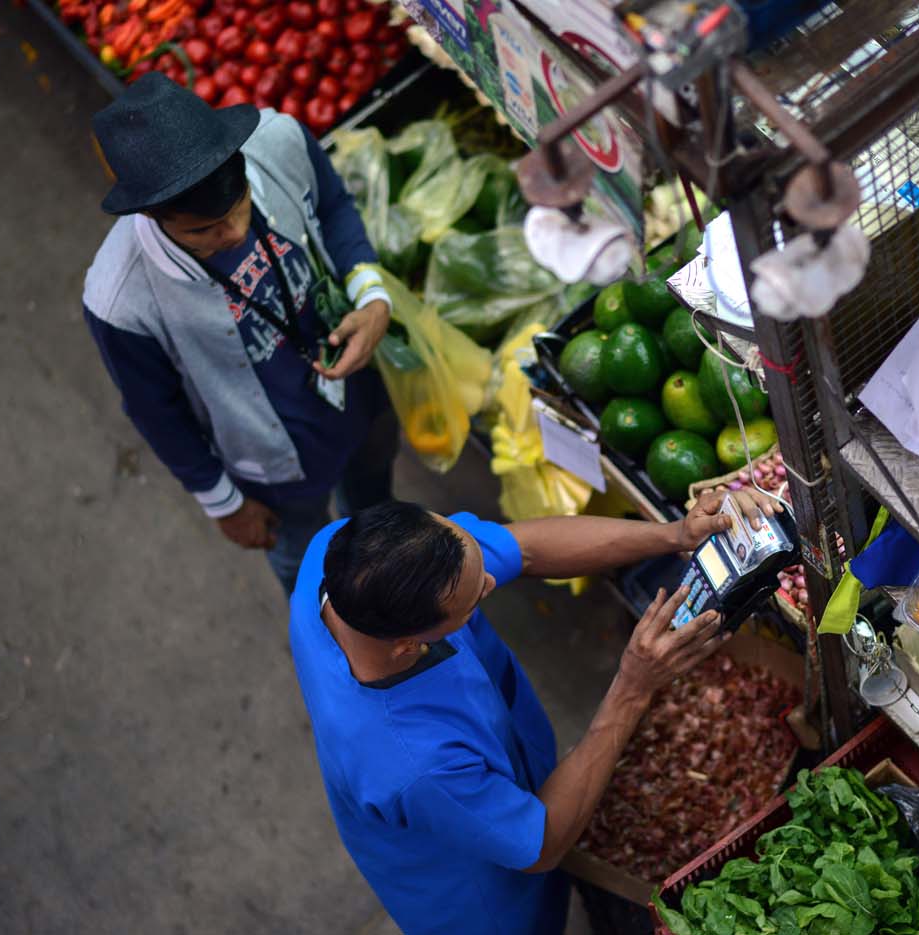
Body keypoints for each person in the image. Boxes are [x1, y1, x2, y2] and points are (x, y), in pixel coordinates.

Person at [288, 489, 780, 935]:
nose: (490, 581)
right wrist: (632, 687)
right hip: (480, 897)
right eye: (476, 595)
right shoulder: (415, 765)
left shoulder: (344, 557)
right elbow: (541, 843)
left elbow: (523, 549)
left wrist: (674, 535)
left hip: (500, 768)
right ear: (408, 646)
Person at [83, 73, 396, 595]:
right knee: (311, 576)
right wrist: (224, 503)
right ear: (152, 215)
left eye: (239, 207)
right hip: (277, 474)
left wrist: (372, 296)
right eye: (201, 231)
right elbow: (155, 412)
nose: (230, 233)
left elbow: (335, 206)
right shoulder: (119, 301)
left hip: (361, 400)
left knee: (382, 517)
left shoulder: (279, 140)